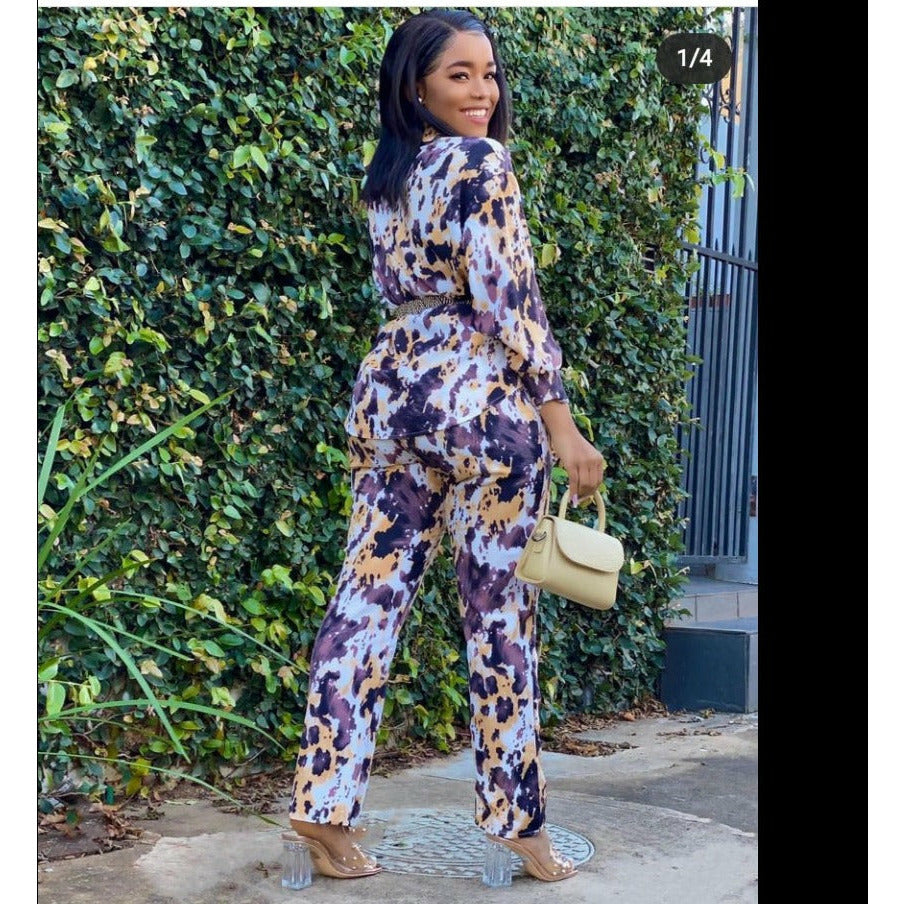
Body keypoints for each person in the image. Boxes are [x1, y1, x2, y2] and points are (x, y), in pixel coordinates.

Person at [287, 8, 604, 882]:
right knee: (499, 616)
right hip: (480, 403)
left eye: (488, 73)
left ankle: (322, 804)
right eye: (459, 74)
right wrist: (562, 422)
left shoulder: (388, 174)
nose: (481, 91)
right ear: (417, 84)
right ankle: (518, 821)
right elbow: (510, 298)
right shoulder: (481, 162)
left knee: (365, 601)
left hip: (392, 390)